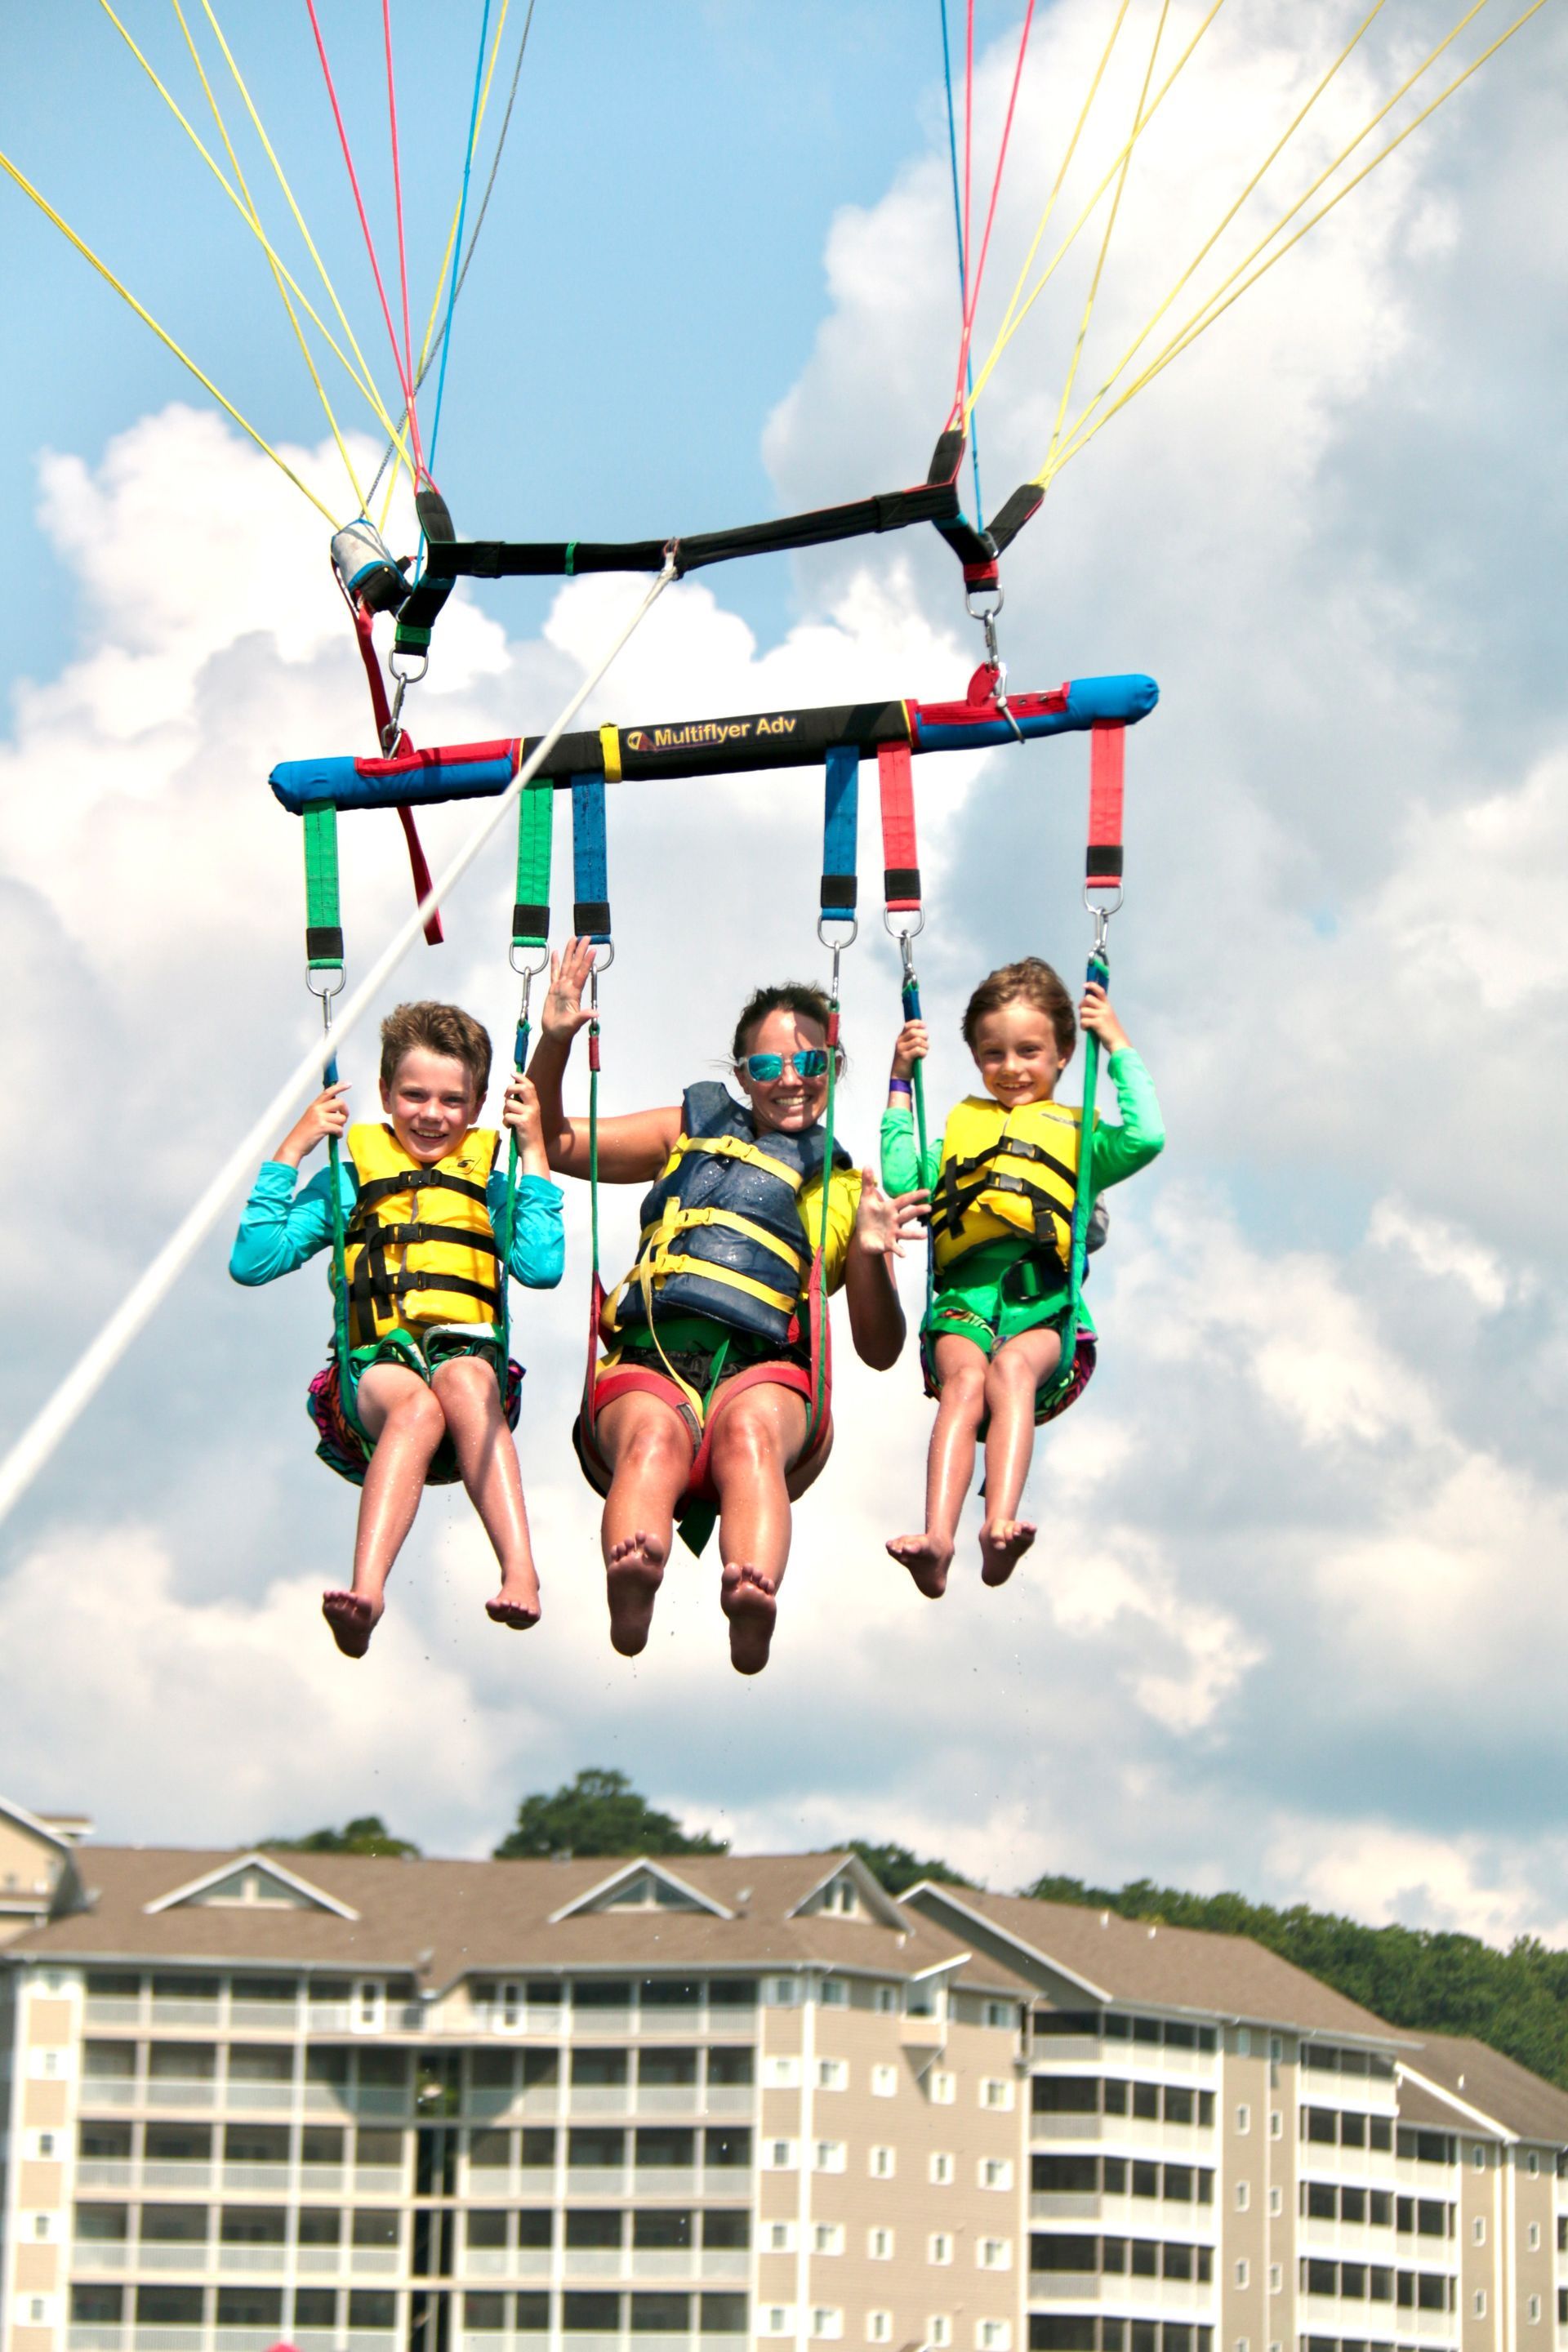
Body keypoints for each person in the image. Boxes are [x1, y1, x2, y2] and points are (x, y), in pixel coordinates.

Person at [529, 939, 920, 1674]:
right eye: (769, 1067)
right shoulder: (686, 1131)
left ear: (833, 1069)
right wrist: (553, 1046)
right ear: (742, 1076)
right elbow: (553, 1143)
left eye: (811, 1064)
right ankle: (633, 1580)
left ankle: (752, 1594)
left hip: (761, 1375)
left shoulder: (843, 1188)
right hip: (648, 1362)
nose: (791, 1081)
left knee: (749, 1440)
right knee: (652, 1442)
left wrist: (869, 1252)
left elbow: (878, 1347)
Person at [230, 1000, 564, 1657]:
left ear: (475, 1108)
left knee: (466, 1383)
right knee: (417, 1408)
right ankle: (368, 1594)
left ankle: (520, 1570)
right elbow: (254, 1260)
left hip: (470, 1371)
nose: (432, 1114)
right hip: (374, 1378)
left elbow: (541, 1266)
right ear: (384, 1093)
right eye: (413, 1095)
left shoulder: (487, 1188)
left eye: (451, 1100)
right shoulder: (348, 1181)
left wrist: (533, 1154)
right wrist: (294, 1145)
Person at [882, 956, 1163, 1597]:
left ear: (1064, 1053)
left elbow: (1147, 1136)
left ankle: (998, 1523)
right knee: (963, 1383)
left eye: (1029, 1051)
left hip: (1044, 1308)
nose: (1011, 1068)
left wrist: (1116, 1043)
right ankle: (938, 1539)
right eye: (993, 1054)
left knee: (1008, 1373)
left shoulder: (1083, 1135)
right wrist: (900, 1081)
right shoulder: (958, 1127)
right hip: (961, 1303)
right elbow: (902, 1182)